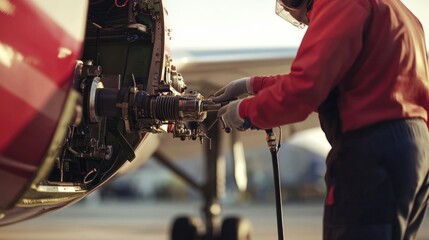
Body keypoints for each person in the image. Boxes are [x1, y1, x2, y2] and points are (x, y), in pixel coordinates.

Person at [212, 0, 429, 239]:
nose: (303, 18)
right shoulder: (400, 13)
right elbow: (337, 84)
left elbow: (304, 90)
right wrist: (254, 85)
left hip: (372, 152)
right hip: (416, 153)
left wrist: (244, 112)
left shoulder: (340, 3)